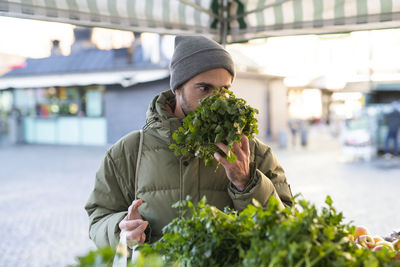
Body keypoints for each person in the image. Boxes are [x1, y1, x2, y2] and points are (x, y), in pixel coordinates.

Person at [85, 36, 293, 248]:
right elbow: (99, 217)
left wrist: (246, 183)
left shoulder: (253, 152)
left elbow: (286, 228)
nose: (217, 100)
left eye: (225, 89)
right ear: (177, 87)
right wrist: (121, 229)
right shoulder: (128, 152)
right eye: (204, 89)